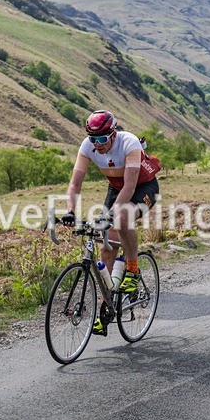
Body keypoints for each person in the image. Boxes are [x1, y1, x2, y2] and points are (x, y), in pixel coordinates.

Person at [62, 110, 161, 335]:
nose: (97, 144)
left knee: (122, 218)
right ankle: (105, 310)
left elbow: (130, 186)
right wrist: (70, 211)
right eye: (93, 139)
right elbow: (75, 184)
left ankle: (133, 269)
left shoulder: (129, 142)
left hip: (143, 188)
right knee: (106, 248)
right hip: (116, 188)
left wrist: (111, 215)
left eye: (102, 139)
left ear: (113, 134)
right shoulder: (88, 146)